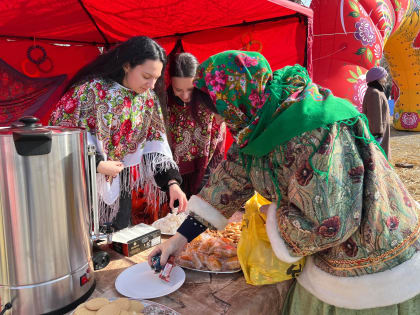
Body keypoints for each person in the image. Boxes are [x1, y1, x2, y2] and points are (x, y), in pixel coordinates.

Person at [149, 51, 420, 314]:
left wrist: (273, 216)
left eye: (218, 110)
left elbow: (329, 220)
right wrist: (177, 240)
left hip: (374, 261)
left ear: (236, 100)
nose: (217, 119)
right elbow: (227, 182)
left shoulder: (312, 127)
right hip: (330, 256)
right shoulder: (255, 124)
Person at [49, 36, 187, 230]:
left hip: (121, 184)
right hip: (83, 186)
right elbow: (57, 139)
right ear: (127, 66)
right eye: (147, 77)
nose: (152, 85)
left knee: (118, 241)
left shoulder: (147, 99)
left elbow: (156, 145)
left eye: (156, 78)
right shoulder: (89, 91)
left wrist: (172, 183)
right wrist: (96, 164)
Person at [166, 52, 226, 198]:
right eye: (178, 90)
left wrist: (205, 184)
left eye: (190, 90)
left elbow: (217, 143)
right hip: (169, 178)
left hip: (205, 174)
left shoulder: (209, 101)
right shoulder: (164, 104)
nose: (185, 96)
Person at [362, 66, 391, 159]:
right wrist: (377, 133)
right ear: (377, 78)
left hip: (381, 129)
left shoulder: (378, 91)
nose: (386, 79)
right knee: (377, 157)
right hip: (378, 132)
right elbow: (374, 115)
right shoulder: (374, 93)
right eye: (384, 76)